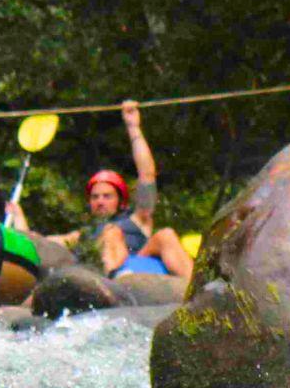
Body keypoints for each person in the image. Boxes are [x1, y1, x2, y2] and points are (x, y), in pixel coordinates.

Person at [45, 101, 192, 283]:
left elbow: (147, 175)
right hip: (107, 279)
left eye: (107, 196)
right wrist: (17, 219)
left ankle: (197, 287)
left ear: (120, 201)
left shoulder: (138, 219)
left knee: (166, 234)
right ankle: (113, 279)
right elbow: (46, 243)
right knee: (108, 231)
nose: (100, 201)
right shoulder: (82, 235)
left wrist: (133, 127)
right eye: (95, 197)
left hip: (141, 264)